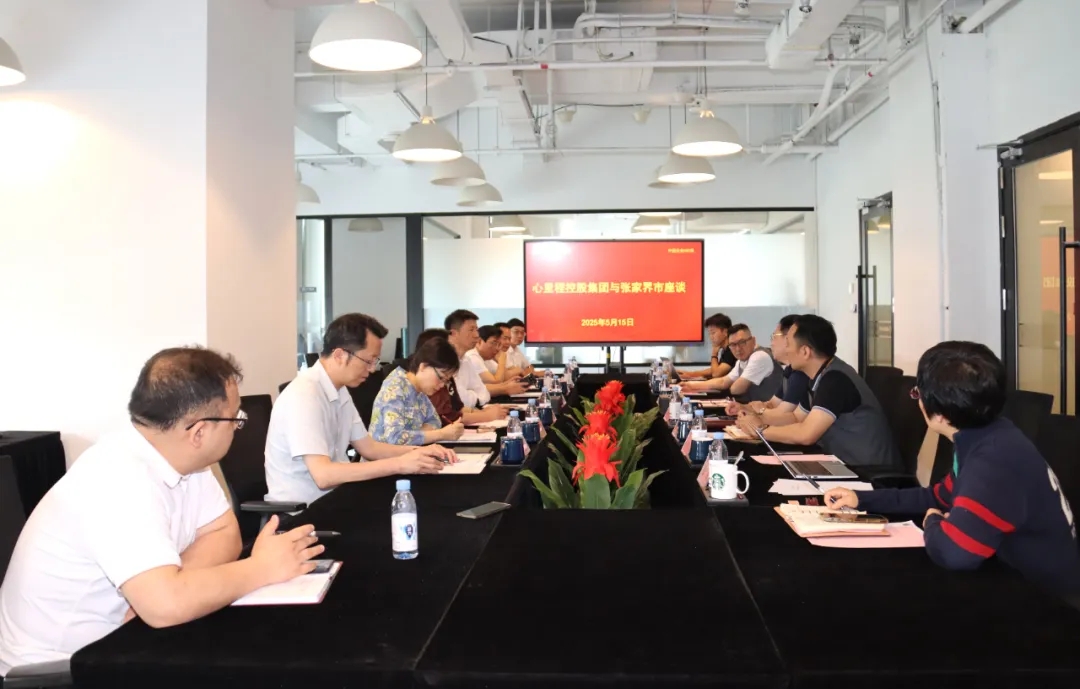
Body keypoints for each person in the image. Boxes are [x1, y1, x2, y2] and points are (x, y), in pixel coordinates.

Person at [0, 347, 323, 675]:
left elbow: (225, 534)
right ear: (199, 432)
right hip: (61, 669)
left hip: (124, 643)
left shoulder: (185, 459)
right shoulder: (116, 479)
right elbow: (166, 606)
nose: (238, 427)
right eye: (235, 419)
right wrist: (260, 568)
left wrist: (173, 587)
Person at [826, 342, 1080, 601]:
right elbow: (939, 496)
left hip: (1048, 601)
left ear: (940, 415)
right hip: (1012, 578)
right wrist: (862, 499)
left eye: (917, 394)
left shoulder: (994, 460)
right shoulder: (986, 435)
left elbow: (955, 552)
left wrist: (932, 522)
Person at [264, 313, 456, 506]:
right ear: (339, 355)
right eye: (368, 361)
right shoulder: (305, 395)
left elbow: (370, 448)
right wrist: (400, 464)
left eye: (375, 361)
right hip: (302, 513)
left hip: (335, 500)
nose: (372, 369)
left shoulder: (339, 391)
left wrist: (419, 452)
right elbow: (324, 475)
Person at [750, 314, 900, 467]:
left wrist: (761, 431)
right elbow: (796, 418)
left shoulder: (835, 380)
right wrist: (756, 420)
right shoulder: (817, 376)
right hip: (843, 462)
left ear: (805, 352)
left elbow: (806, 434)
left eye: (788, 344)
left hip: (867, 470)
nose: (786, 350)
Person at [369, 336, 465, 445]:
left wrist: (415, 435)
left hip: (410, 453)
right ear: (423, 366)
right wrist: (441, 434)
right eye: (441, 377)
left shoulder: (419, 391)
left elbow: (435, 421)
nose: (442, 385)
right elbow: (395, 438)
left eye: (446, 381)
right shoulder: (395, 387)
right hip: (385, 454)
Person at [726, 315, 809, 427]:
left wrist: (756, 416)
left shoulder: (801, 374)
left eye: (774, 337)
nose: (771, 343)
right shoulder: (789, 371)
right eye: (732, 345)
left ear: (789, 339)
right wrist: (743, 407)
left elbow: (782, 414)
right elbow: (773, 403)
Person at [415, 328, 505, 426]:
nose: (453, 352)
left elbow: (458, 407)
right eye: (449, 348)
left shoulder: (448, 374)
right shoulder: (421, 383)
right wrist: (487, 416)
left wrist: (482, 412)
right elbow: (448, 417)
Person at [680, 324, 783, 403]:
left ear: (753, 341)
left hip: (771, 415)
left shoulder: (759, 356)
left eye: (742, 342)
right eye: (733, 345)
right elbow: (723, 381)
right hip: (755, 411)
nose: (738, 349)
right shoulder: (742, 361)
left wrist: (726, 386)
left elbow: (736, 389)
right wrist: (692, 385)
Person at [446, 310, 525, 405]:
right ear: (454, 334)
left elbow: (482, 390)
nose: (476, 335)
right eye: (471, 330)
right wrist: (504, 387)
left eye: (476, 329)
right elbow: (459, 400)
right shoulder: (445, 362)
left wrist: (505, 384)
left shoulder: (466, 360)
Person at [467, 325, 529, 395]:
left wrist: (507, 383)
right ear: (479, 341)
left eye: (499, 344)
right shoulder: (473, 357)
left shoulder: (486, 358)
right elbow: (495, 381)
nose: (497, 348)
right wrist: (502, 360)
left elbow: (500, 380)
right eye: (494, 343)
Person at [678, 313, 736, 380]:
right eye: (709, 334)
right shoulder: (725, 350)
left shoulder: (732, 350)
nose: (711, 337)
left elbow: (716, 374)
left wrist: (714, 355)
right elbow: (714, 370)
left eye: (713, 333)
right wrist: (689, 374)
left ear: (725, 332)